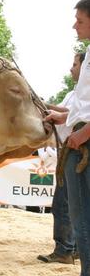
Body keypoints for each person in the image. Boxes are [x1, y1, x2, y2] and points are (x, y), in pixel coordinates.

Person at [45, 0, 90, 276]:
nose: (75, 25)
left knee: (82, 217)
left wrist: (81, 134)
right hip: (80, 138)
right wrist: (64, 118)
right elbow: (82, 105)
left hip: (84, 145)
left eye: (81, 20)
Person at [37, 52, 84, 264]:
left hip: (77, 149)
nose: (71, 68)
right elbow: (68, 113)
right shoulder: (75, 93)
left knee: (64, 204)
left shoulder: (82, 96)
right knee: (68, 204)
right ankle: (72, 248)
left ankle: (65, 249)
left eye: (75, 64)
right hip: (68, 150)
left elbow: (72, 113)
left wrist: (47, 105)